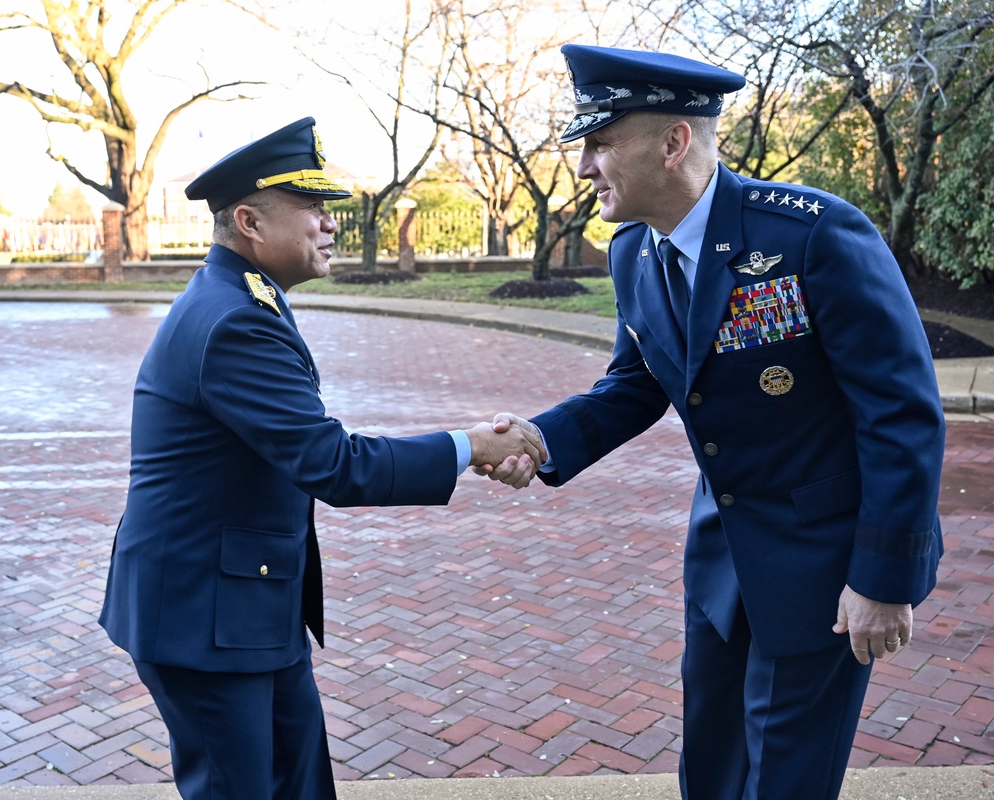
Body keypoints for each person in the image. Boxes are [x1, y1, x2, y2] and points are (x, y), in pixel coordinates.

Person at [481, 45, 945, 800]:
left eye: (600, 143)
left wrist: (884, 579)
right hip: (722, 567)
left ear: (672, 144)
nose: (583, 166)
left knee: (786, 782)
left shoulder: (813, 236)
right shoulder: (633, 250)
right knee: (713, 770)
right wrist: (541, 438)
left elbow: (902, 416)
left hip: (827, 571)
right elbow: (635, 383)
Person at [98, 116, 544, 800]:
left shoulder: (246, 297)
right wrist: (472, 447)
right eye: (311, 208)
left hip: (243, 604)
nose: (329, 223)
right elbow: (331, 463)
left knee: (299, 786)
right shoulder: (235, 318)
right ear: (249, 221)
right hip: (201, 616)